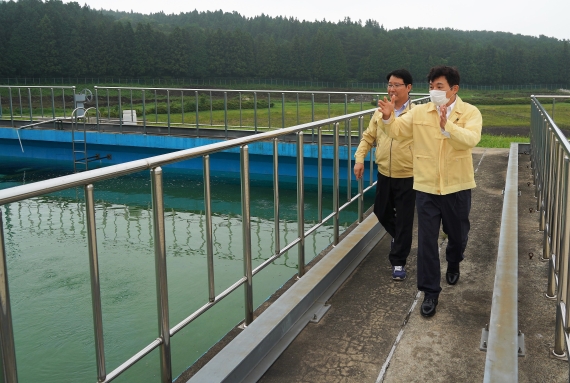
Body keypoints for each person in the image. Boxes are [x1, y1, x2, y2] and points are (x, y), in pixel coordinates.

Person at [377, 65, 482, 318]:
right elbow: (398, 133)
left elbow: (471, 139)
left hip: (457, 185)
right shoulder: (421, 112)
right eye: (431, 87)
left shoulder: (470, 112)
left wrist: (448, 126)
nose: (434, 91)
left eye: (439, 87)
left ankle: (454, 259)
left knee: (457, 236)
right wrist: (390, 118)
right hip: (425, 187)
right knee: (426, 241)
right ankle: (430, 292)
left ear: (454, 89)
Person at [354, 69, 415, 281]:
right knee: (381, 211)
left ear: (408, 87)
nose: (392, 89)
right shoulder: (379, 112)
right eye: (389, 84)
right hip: (384, 172)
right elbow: (368, 136)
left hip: (408, 174)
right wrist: (359, 158)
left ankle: (398, 262)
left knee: (405, 219)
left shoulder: (415, 114)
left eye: (397, 85)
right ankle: (400, 239)